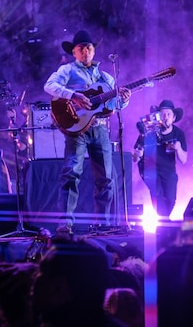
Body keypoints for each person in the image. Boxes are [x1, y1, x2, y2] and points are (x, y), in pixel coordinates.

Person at [44, 30, 131, 233]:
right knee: (71, 173)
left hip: (100, 129)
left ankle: (103, 223)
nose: (85, 51)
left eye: (89, 47)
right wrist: (73, 95)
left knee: (106, 178)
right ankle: (65, 225)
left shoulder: (106, 77)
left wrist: (124, 100)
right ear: (74, 51)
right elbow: (49, 86)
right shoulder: (67, 70)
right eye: (81, 48)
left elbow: (112, 105)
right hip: (76, 130)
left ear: (93, 51)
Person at [131, 100, 187, 217]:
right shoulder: (149, 130)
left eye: (168, 114)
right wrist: (138, 154)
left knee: (171, 200)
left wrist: (178, 148)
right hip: (149, 168)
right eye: (162, 114)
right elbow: (135, 157)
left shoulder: (178, 133)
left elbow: (184, 160)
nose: (165, 117)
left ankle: (164, 221)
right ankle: (164, 223)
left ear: (174, 117)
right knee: (157, 194)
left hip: (169, 170)